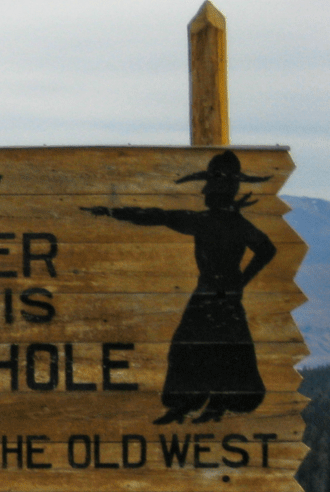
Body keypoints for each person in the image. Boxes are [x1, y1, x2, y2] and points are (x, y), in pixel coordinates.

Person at [83, 150, 275, 424]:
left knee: (207, 349)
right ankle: (196, 404)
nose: (205, 191)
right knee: (210, 349)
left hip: (213, 295)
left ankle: (205, 405)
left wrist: (242, 281)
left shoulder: (213, 222)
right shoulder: (230, 223)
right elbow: (266, 249)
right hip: (215, 295)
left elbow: (159, 216)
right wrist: (241, 282)